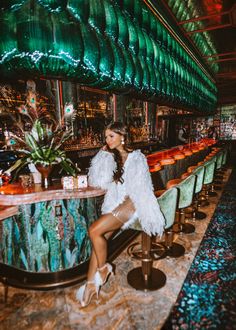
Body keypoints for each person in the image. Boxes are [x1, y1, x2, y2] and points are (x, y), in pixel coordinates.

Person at [76, 122, 165, 307]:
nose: (108, 140)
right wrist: (102, 155)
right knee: (97, 243)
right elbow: (98, 181)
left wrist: (127, 207)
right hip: (114, 205)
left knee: (94, 231)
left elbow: (140, 189)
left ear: (122, 136)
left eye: (111, 136)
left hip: (131, 205)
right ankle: (91, 286)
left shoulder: (137, 157)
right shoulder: (111, 157)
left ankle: (103, 269)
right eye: (106, 137)